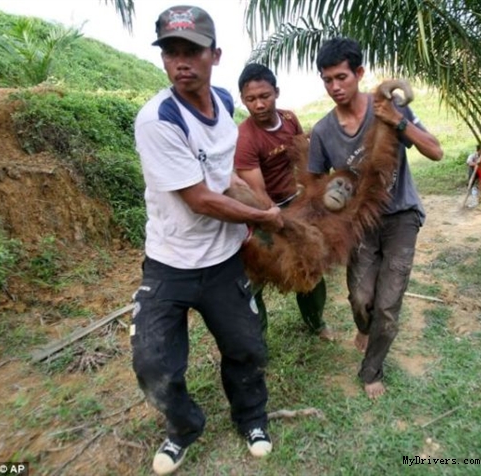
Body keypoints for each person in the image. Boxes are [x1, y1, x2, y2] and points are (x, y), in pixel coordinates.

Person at [132, 6, 283, 475]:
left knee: (246, 348)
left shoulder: (223, 102)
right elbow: (200, 199)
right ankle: (183, 428)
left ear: (214, 55)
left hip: (222, 261)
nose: (181, 62)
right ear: (163, 60)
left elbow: (223, 178)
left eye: (192, 51)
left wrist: (262, 207)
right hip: (170, 262)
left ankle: (252, 419)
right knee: (154, 364)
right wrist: (263, 216)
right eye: (171, 52)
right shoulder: (158, 119)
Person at [308, 38, 443, 399]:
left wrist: (398, 122)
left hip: (402, 218)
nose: (335, 87)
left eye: (341, 77)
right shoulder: (322, 131)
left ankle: (372, 371)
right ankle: (362, 327)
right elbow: (317, 184)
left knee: (387, 304)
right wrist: (335, 194)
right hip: (360, 225)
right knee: (360, 298)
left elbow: (435, 151)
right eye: (327, 80)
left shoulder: (387, 107)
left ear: (359, 73)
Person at [234, 63, 333, 341]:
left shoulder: (289, 119)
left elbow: (303, 157)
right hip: (263, 214)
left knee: (310, 268)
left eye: (264, 96)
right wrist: (281, 223)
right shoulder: (245, 138)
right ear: (243, 100)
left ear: (276, 92)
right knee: (255, 279)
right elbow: (257, 192)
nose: (258, 104)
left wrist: (312, 196)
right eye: (250, 99)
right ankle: (258, 340)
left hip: (297, 205)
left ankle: (316, 322)